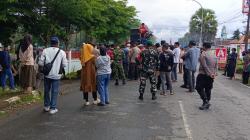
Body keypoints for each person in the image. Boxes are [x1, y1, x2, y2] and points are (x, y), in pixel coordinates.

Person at [38, 36, 67, 114]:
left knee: (47, 90)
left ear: (50, 43)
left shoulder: (45, 51)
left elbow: (40, 63)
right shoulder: (62, 52)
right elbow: (64, 64)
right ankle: (53, 108)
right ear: (57, 43)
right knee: (55, 91)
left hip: (47, 74)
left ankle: (46, 106)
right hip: (57, 75)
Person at [195, 43, 217, 110]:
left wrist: (209, 73)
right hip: (211, 75)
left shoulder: (203, 54)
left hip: (203, 74)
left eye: (202, 47)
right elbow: (216, 65)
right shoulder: (214, 55)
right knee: (208, 88)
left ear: (204, 47)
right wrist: (214, 73)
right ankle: (207, 102)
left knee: (198, 87)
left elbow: (204, 66)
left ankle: (205, 101)